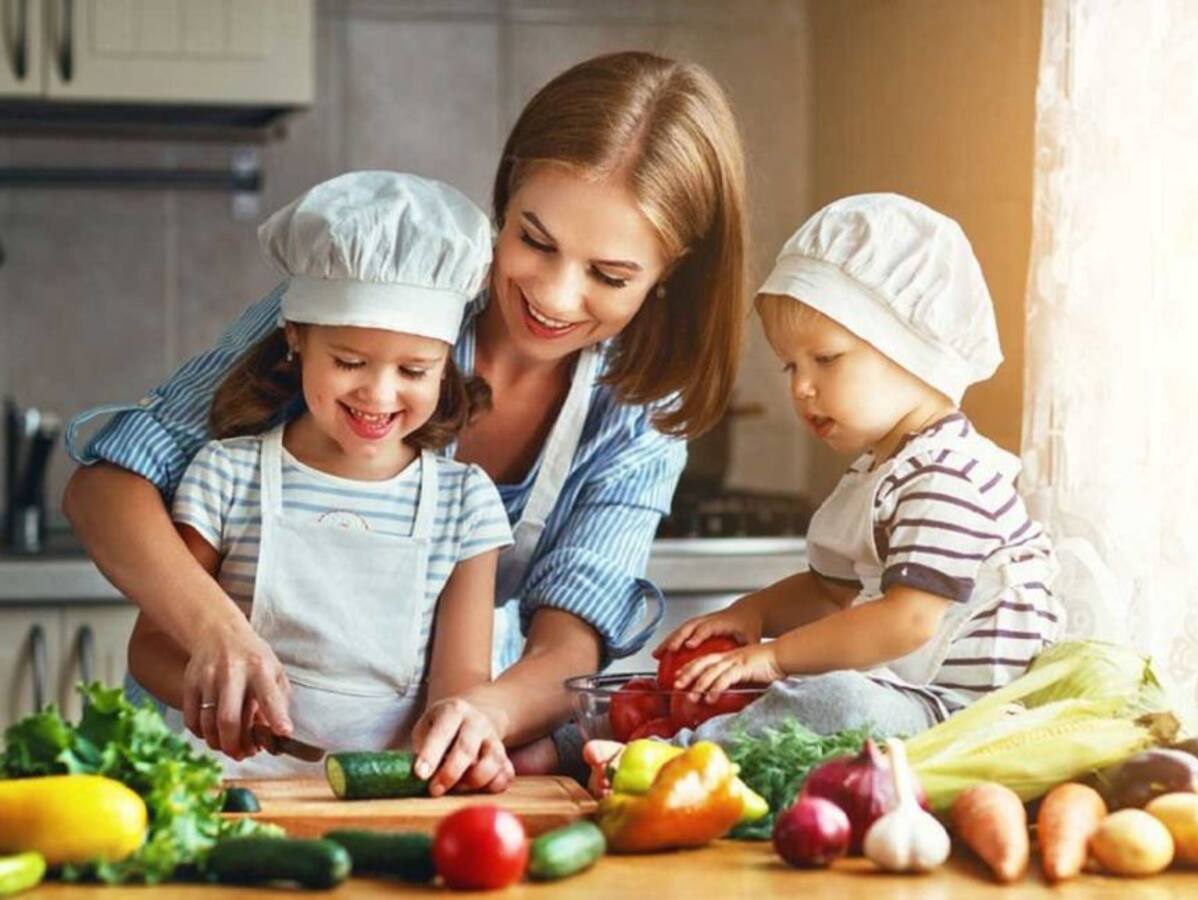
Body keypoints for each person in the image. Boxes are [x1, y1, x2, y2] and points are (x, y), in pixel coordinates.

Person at [61, 51, 748, 791]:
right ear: (507, 192)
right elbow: (106, 489)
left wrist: (480, 717)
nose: (553, 294)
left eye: (609, 276)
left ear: (670, 269)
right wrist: (219, 637)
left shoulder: (637, 415)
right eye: (533, 240)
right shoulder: (373, 291)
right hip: (201, 758)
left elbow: (565, 648)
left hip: (391, 772)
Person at [126, 171, 515, 783]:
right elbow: (150, 648)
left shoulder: (465, 504)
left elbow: (461, 685)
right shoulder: (228, 476)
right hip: (231, 788)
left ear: (446, 365)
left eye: (415, 369)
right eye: (350, 362)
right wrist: (217, 698)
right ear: (296, 337)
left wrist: (460, 736)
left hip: (383, 798)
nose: (379, 394)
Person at [655, 193, 1064, 741]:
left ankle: (680, 754)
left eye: (826, 359)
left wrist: (775, 659)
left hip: (964, 718)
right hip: (910, 698)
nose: (801, 387)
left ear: (911, 348)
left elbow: (906, 621)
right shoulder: (884, 469)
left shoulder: (949, 476)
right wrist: (753, 613)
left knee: (834, 698)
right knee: (802, 691)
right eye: (790, 366)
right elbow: (830, 594)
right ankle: (642, 736)